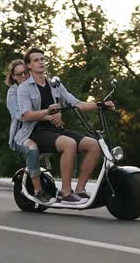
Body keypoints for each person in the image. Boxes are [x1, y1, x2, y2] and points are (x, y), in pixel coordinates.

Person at [15, 47, 114, 205]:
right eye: (36, 60)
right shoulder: (24, 88)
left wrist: (100, 104)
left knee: (94, 145)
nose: (41, 62)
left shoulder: (54, 84)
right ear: (29, 66)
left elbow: (77, 103)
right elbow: (26, 115)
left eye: (42, 59)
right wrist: (47, 112)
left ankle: (80, 190)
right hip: (36, 131)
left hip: (55, 131)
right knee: (70, 144)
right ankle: (65, 193)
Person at [6, 59, 56, 205]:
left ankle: (66, 191)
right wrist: (48, 116)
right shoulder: (13, 92)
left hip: (41, 130)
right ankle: (38, 191)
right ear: (13, 77)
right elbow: (20, 115)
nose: (23, 76)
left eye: (25, 72)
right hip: (22, 134)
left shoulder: (37, 88)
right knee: (32, 149)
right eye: (19, 74)